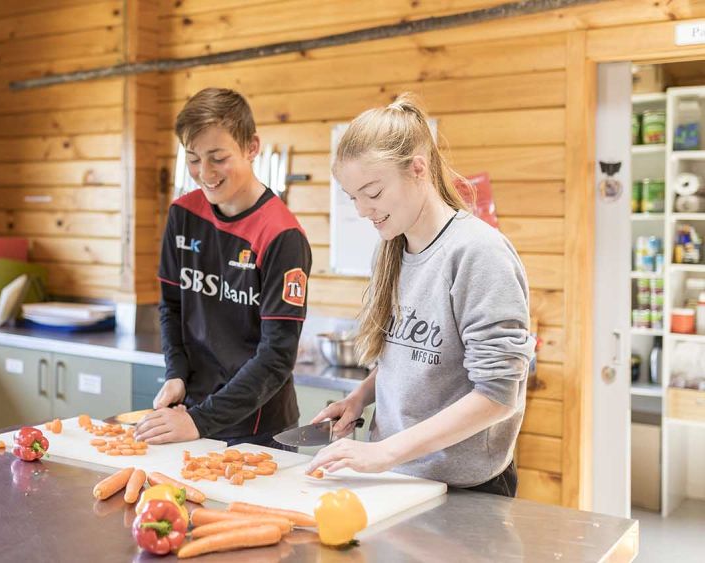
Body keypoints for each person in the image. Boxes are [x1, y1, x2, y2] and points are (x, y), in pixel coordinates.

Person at [306, 93, 536, 497]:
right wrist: (361, 397)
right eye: (352, 197)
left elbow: (498, 397)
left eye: (373, 193)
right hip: (396, 477)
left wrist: (386, 452)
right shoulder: (391, 247)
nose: (362, 210)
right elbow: (408, 355)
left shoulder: (478, 253)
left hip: (464, 488)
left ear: (417, 170)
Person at [133, 88, 312, 449]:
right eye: (194, 158)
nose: (205, 172)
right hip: (191, 415)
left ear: (251, 147)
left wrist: (201, 421)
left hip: (258, 429)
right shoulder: (182, 214)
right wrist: (176, 373)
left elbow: (276, 357)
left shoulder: (282, 235)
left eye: (218, 157)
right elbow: (171, 306)